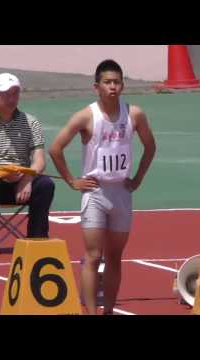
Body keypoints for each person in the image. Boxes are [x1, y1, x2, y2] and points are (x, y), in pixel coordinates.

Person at [49, 59, 156, 315]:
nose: (113, 87)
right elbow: (55, 148)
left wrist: (138, 178)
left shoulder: (134, 114)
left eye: (117, 82)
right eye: (107, 82)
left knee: (115, 257)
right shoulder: (86, 116)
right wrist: (72, 181)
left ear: (123, 85)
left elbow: (150, 147)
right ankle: (91, 311)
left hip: (121, 191)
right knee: (93, 256)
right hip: (95, 192)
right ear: (96, 87)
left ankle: (108, 310)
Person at [0, 73, 55, 256]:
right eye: (6, 94)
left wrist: (28, 178)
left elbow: (40, 159)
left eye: (15, 93)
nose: (11, 98)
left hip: (22, 183)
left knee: (46, 184)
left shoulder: (30, 122)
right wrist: (0, 174)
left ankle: (36, 239)